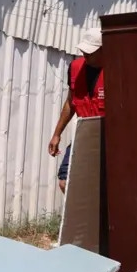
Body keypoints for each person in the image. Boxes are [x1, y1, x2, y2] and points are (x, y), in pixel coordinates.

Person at [48, 27, 106, 193]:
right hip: (85, 134)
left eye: (91, 51)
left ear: (104, 50)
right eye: (83, 50)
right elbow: (71, 102)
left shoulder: (116, 70)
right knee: (65, 182)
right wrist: (57, 134)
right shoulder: (75, 67)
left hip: (108, 137)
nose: (85, 55)